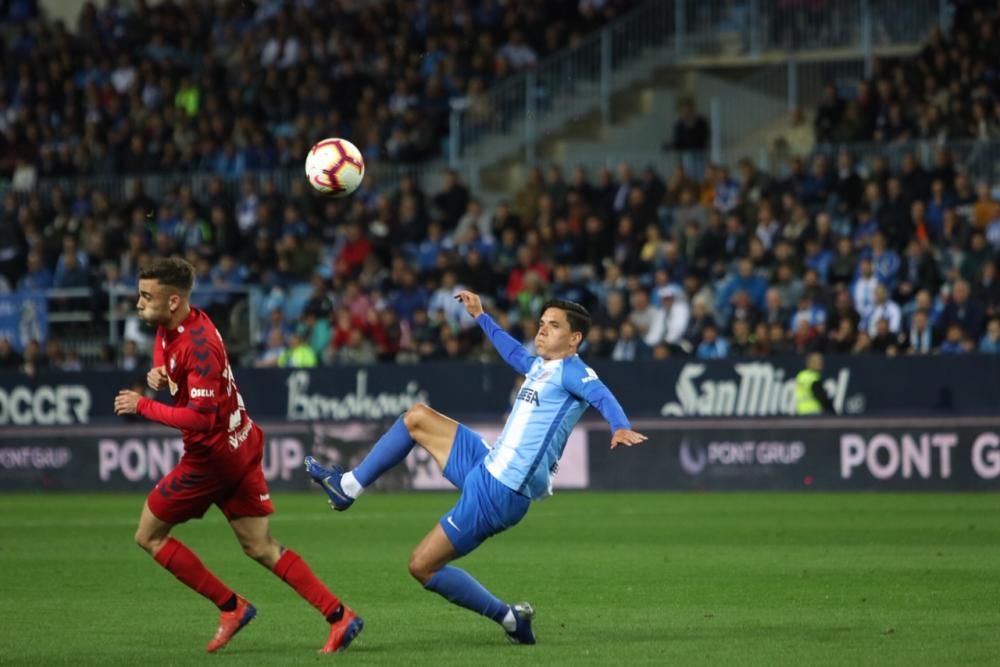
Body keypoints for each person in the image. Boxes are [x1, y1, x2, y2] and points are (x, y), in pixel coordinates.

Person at [304, 292, 647, 644]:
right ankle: (347, 486)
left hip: (500, 491)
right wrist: (481, 315)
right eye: (542, 324)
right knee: (417, 417)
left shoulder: (574, 371)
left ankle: (510, 618)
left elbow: (602, 395)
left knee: (421, 566)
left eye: (553, 326)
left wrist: (618, 425)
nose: (542, 331)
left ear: (574, 338)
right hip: (487, 463)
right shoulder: (541, 366)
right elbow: (514, 352)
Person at [112, 258, 362, 654]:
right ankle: (339, 615)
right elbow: (163, 337)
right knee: (260, 546)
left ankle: (232, 607)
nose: (139, 303)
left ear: (173, 300)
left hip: (211, 461)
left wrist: (143, 405)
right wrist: (159, 370)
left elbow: (199, 418)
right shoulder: (183, 321)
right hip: (242, 442)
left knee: (149, 536)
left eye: (146, 296)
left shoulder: (201, 349)